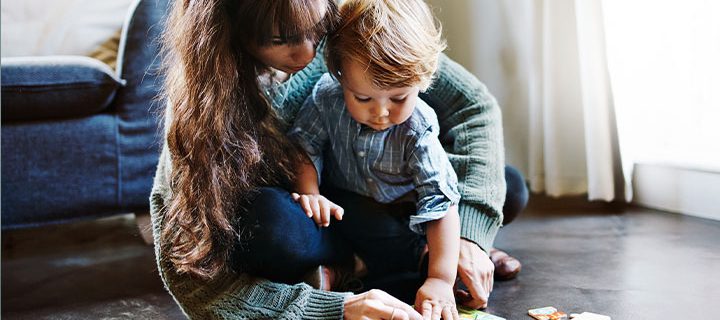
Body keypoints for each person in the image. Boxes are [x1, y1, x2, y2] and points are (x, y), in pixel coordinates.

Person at [150, 0, 527, 318]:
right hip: (325, 214)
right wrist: (334, 309)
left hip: (400, 192)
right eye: (280, 39)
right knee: (268, 224)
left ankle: (429, 255)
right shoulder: (200, 106)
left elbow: (472, 107)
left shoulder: (354, 21)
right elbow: (195, 283)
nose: (309, 53)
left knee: (505, 185)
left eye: (317, 30)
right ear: (229, 27)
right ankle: (361, 265)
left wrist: (469, 236)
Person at [287, 0, 460, 318]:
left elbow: (440, 204)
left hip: (404, 213)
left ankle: (434, 260)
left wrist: (440, 279)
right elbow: (304, 145)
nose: (381, 112)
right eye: (363, 98)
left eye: (398, 98)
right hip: (347, 207)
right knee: (330, 217)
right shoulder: (327, 97)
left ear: (422, 81)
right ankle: (384, 262)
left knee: (509, 190)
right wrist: (310, 192)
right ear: (339, 76)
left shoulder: (417, 126)